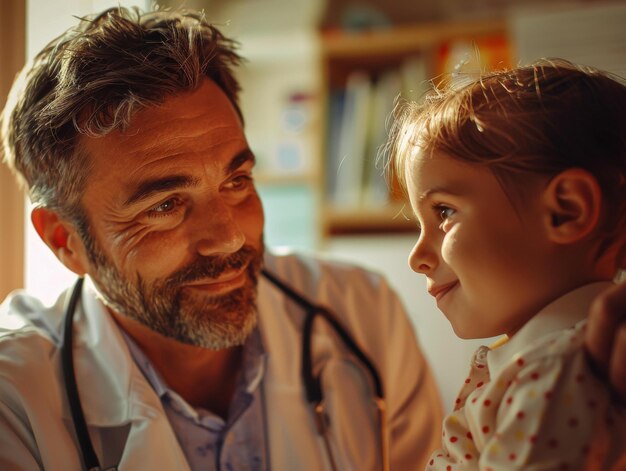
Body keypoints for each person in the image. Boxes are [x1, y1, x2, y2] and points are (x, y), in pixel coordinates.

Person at [0, 7, 623, 471]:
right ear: (64, 241)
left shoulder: (362, 315)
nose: (228, 236)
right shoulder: (15, 398)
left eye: (238, 180)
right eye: (165, 206)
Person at [388, 59, 626, 469]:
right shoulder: (539, 363)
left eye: (444, 212)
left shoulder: (555, 371)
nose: (417, 259)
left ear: (566, 211)